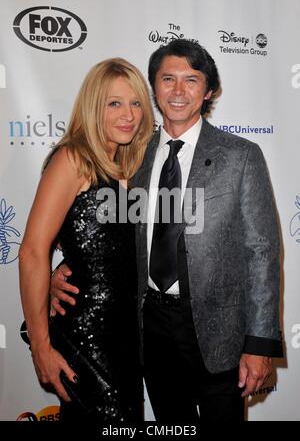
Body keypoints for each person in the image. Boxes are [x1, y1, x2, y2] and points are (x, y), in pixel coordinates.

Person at [50, 39, 283, 422]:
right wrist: (60, 271)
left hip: (219, 333)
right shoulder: (132, 154)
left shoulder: (241, 156)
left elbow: (261, 252)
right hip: (151, 328)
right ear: (154, 87)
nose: (178, 91)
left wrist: (259, 345)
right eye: (167, 79)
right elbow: (101, 227)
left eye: (191, 80)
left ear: (209, 90)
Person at [18, 57, 154, 422]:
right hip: (89, 336)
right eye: (115, 103)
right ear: (94, 107)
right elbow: (32, 251)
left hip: (126, 337)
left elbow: (107, 247)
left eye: (136, 102)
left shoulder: (129, 164)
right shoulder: (74, 158)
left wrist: (64, 267)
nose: (129, 114)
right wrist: (41, 349)